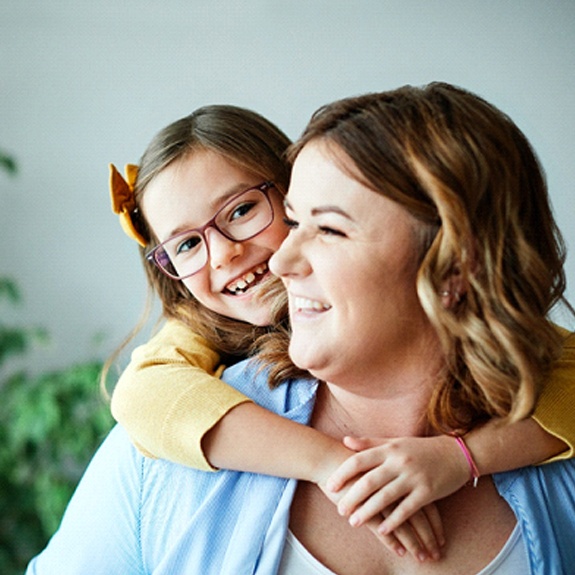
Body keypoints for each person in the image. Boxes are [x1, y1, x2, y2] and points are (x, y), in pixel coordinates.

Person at [26, 87, 575, 574]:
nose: (266, 260)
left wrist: (465, 456)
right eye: (187, 245)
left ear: (457, 267)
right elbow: (143, 395)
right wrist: (333, 463)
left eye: (325, 225)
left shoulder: (547, 415)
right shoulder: (165, 437)